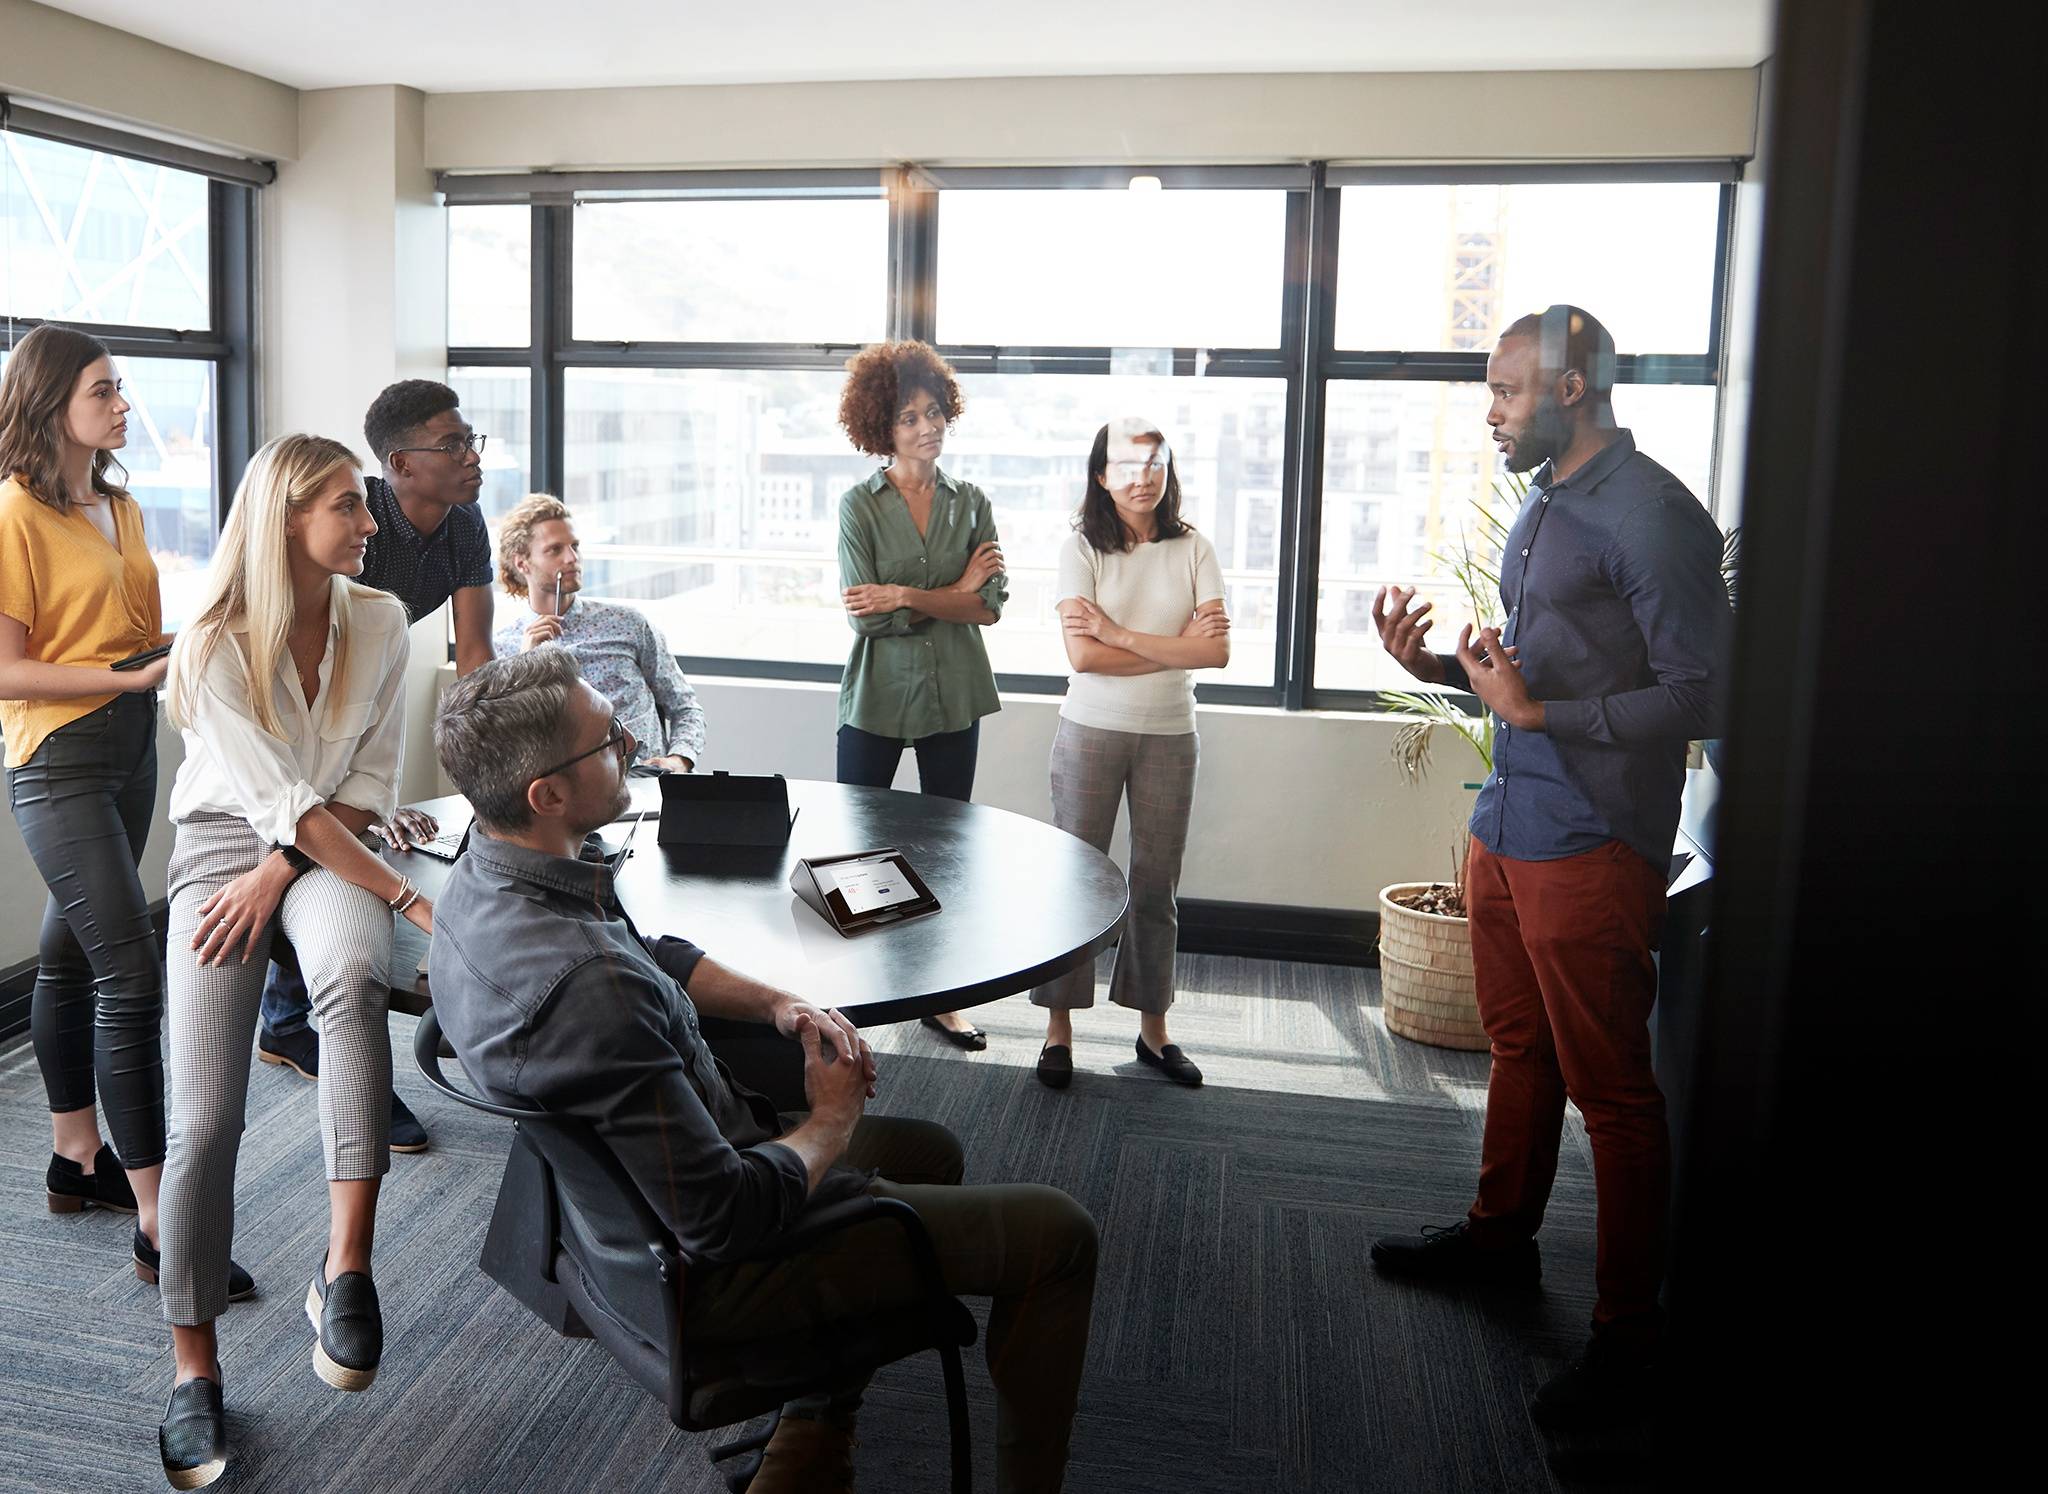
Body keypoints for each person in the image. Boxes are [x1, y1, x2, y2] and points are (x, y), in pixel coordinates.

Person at [429, 650, 1098, 1494]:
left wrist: (780, 1003)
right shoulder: (589, 993)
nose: (633, 742)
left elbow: (650, 952)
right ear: (547, 794)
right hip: (721, 1268)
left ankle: (814, 1430)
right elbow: (726, 1219)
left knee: (928, 1153)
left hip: (634, 1209)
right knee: (1061, 1235)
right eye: (607, 739)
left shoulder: (489, 879)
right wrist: (829, 1120)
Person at [1367, 306, 1730, 1431]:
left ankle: (1627, 1335)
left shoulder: (1654, 515)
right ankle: (1497, 1241)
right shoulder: (1545, 500)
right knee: (1517, 1046)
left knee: (1611, 1093)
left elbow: (1704, 693)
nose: (1490, 413)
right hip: (1509, 822)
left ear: (1572, 389)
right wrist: (1431, 664)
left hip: (1592, 840)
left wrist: (1540, 708)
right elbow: (1526, 673)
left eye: (1506, 392)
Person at [153, 433, 433, 1490]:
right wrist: (400, 894)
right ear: (283, 521)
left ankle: (345, 1266)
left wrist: (297, 877)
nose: (369, 525)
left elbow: (367, 782)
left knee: (354, 981)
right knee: (207, 1119)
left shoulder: (382, 620)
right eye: (345, 508)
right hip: (225, 846)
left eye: (363, 506)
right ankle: (193, 1369)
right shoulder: (213, 646)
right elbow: (276, 804)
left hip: (328, 847)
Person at [0, 325, 254, 1306]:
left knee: (68, 956)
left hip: (132, 750)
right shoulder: (15, 513)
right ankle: (161, 1221)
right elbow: (9, 669)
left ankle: (76, 1161)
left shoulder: (120, 504)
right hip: (56, 763)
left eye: (122, 390)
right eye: (104, 390)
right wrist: (133, 674)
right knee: (132, 973)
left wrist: (190, 642)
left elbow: (131, 635)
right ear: (52, 401)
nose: (123, 405)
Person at [254, 379, 493, 1151]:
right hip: (295, 699)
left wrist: (496, 766)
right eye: (452, 444)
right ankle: (304, 1029)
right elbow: (313, 640)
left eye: (470, 440)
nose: (470, 457)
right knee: (318, 856)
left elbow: (477, 657)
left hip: (361, 694)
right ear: (401, 464)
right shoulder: (363, 529)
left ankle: (288, 1019)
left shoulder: (464, 525)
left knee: (332, 846)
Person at [1029, 419, 1230, 1092]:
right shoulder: (1080, 547)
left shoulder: (1194, 547)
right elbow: (1082, 656)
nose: (1142, 477)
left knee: (1155, 881)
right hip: (1090, 725)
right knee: (1074, 878)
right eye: (1126, 465)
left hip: (1173, 731)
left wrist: (1120, 634)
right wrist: (1169, 644)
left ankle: (1154, 1029)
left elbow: (1216, 652)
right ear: (1100, 475)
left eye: (1154, 463)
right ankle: (1058, 1029)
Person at [834, 340, 1007, 1051]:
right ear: (883, 428)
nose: (926, 428)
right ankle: (853, 996)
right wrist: (947, 593)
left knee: (943, 848)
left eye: (934, 413)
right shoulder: (858, 504)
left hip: (954, 692)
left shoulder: (972, 503)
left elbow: (990, 604)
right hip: (875, 696)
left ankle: (942, 997)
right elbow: (866, 618)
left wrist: (911, 594)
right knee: (857, 855)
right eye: (908, 418)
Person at [491, 493, 705, 771]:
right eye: (555, 550)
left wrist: (680, 759)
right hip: (570, 794)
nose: (572, 558)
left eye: (575, 546)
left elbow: (685, 706)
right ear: (522, 563)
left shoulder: (629, 623)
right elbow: (507, 742)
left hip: (648, 778)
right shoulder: (506, 648)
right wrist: (525, 665)